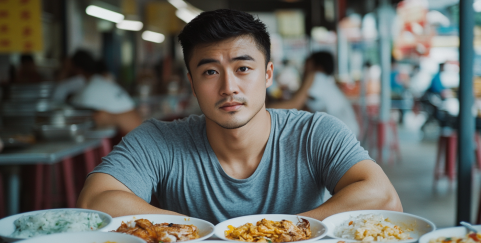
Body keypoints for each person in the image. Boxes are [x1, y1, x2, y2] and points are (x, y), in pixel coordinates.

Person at [77, 9, 402, 224]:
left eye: (243, 68)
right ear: (191, 83)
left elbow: (384, 199)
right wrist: (198, 233)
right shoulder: (159, 140)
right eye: (209, 72)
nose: (228, 87)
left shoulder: (314, 132)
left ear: (268, 74)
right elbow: (94, 203)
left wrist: (285, 230)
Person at [268, 51, 359, 136]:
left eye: (307, 63)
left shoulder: (315, 76)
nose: (304, 68)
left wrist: (262, 109)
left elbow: (294, 105)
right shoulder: (326, 81)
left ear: (317, 66)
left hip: (340, 133)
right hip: (347, 131)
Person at [53, 50, 142, 135]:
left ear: (78, 70)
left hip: (126, 138)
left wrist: (64, 72)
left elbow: (59, 107)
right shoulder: (102, 83)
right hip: (134, 133)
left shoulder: (86, 93)